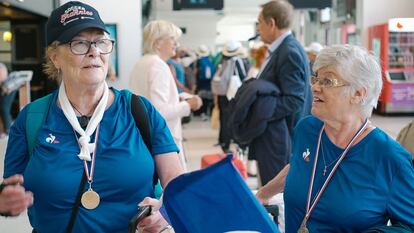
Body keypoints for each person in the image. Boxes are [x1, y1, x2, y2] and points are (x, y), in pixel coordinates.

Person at [3, 2, 183, 232]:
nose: (94, 51)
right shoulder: (32, 118)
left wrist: (164, 212)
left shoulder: (139, 111)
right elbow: (10, 189)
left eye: (100, 41)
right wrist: (5, 201)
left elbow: (177, 184)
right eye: (79, 43)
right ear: (55, 57)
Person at [257, 44, 414, 232]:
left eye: (327, 81)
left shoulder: (390, 158)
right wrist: (263, 194)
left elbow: (408, 226)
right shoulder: (307, 129)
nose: (315, 87)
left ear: (358, 93)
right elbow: (299, 165)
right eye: (316, 79)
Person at [253, 0, 312, 185]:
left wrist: (262, 113)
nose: (258, 28)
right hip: (276, 138)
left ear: (271, 23)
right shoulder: (283, 49)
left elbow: (294, 99)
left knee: (275, 195)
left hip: (280, 140)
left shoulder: (289, 52)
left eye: (259, 22)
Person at [130, 20, 202, 171]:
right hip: (164, 140)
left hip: (145, 137)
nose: (176, 43)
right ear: (158, 43)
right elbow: (160, 112)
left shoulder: (141, 63)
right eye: (172, 39)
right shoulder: (158, 66)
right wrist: (188, 105)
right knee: (174, 187)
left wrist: (178, 98)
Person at [0, 63, 18, 136]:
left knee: (4, 108)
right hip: (4, 87)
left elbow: (2, 79)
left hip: (9, 88)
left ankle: (8, 130)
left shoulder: (1, 67)